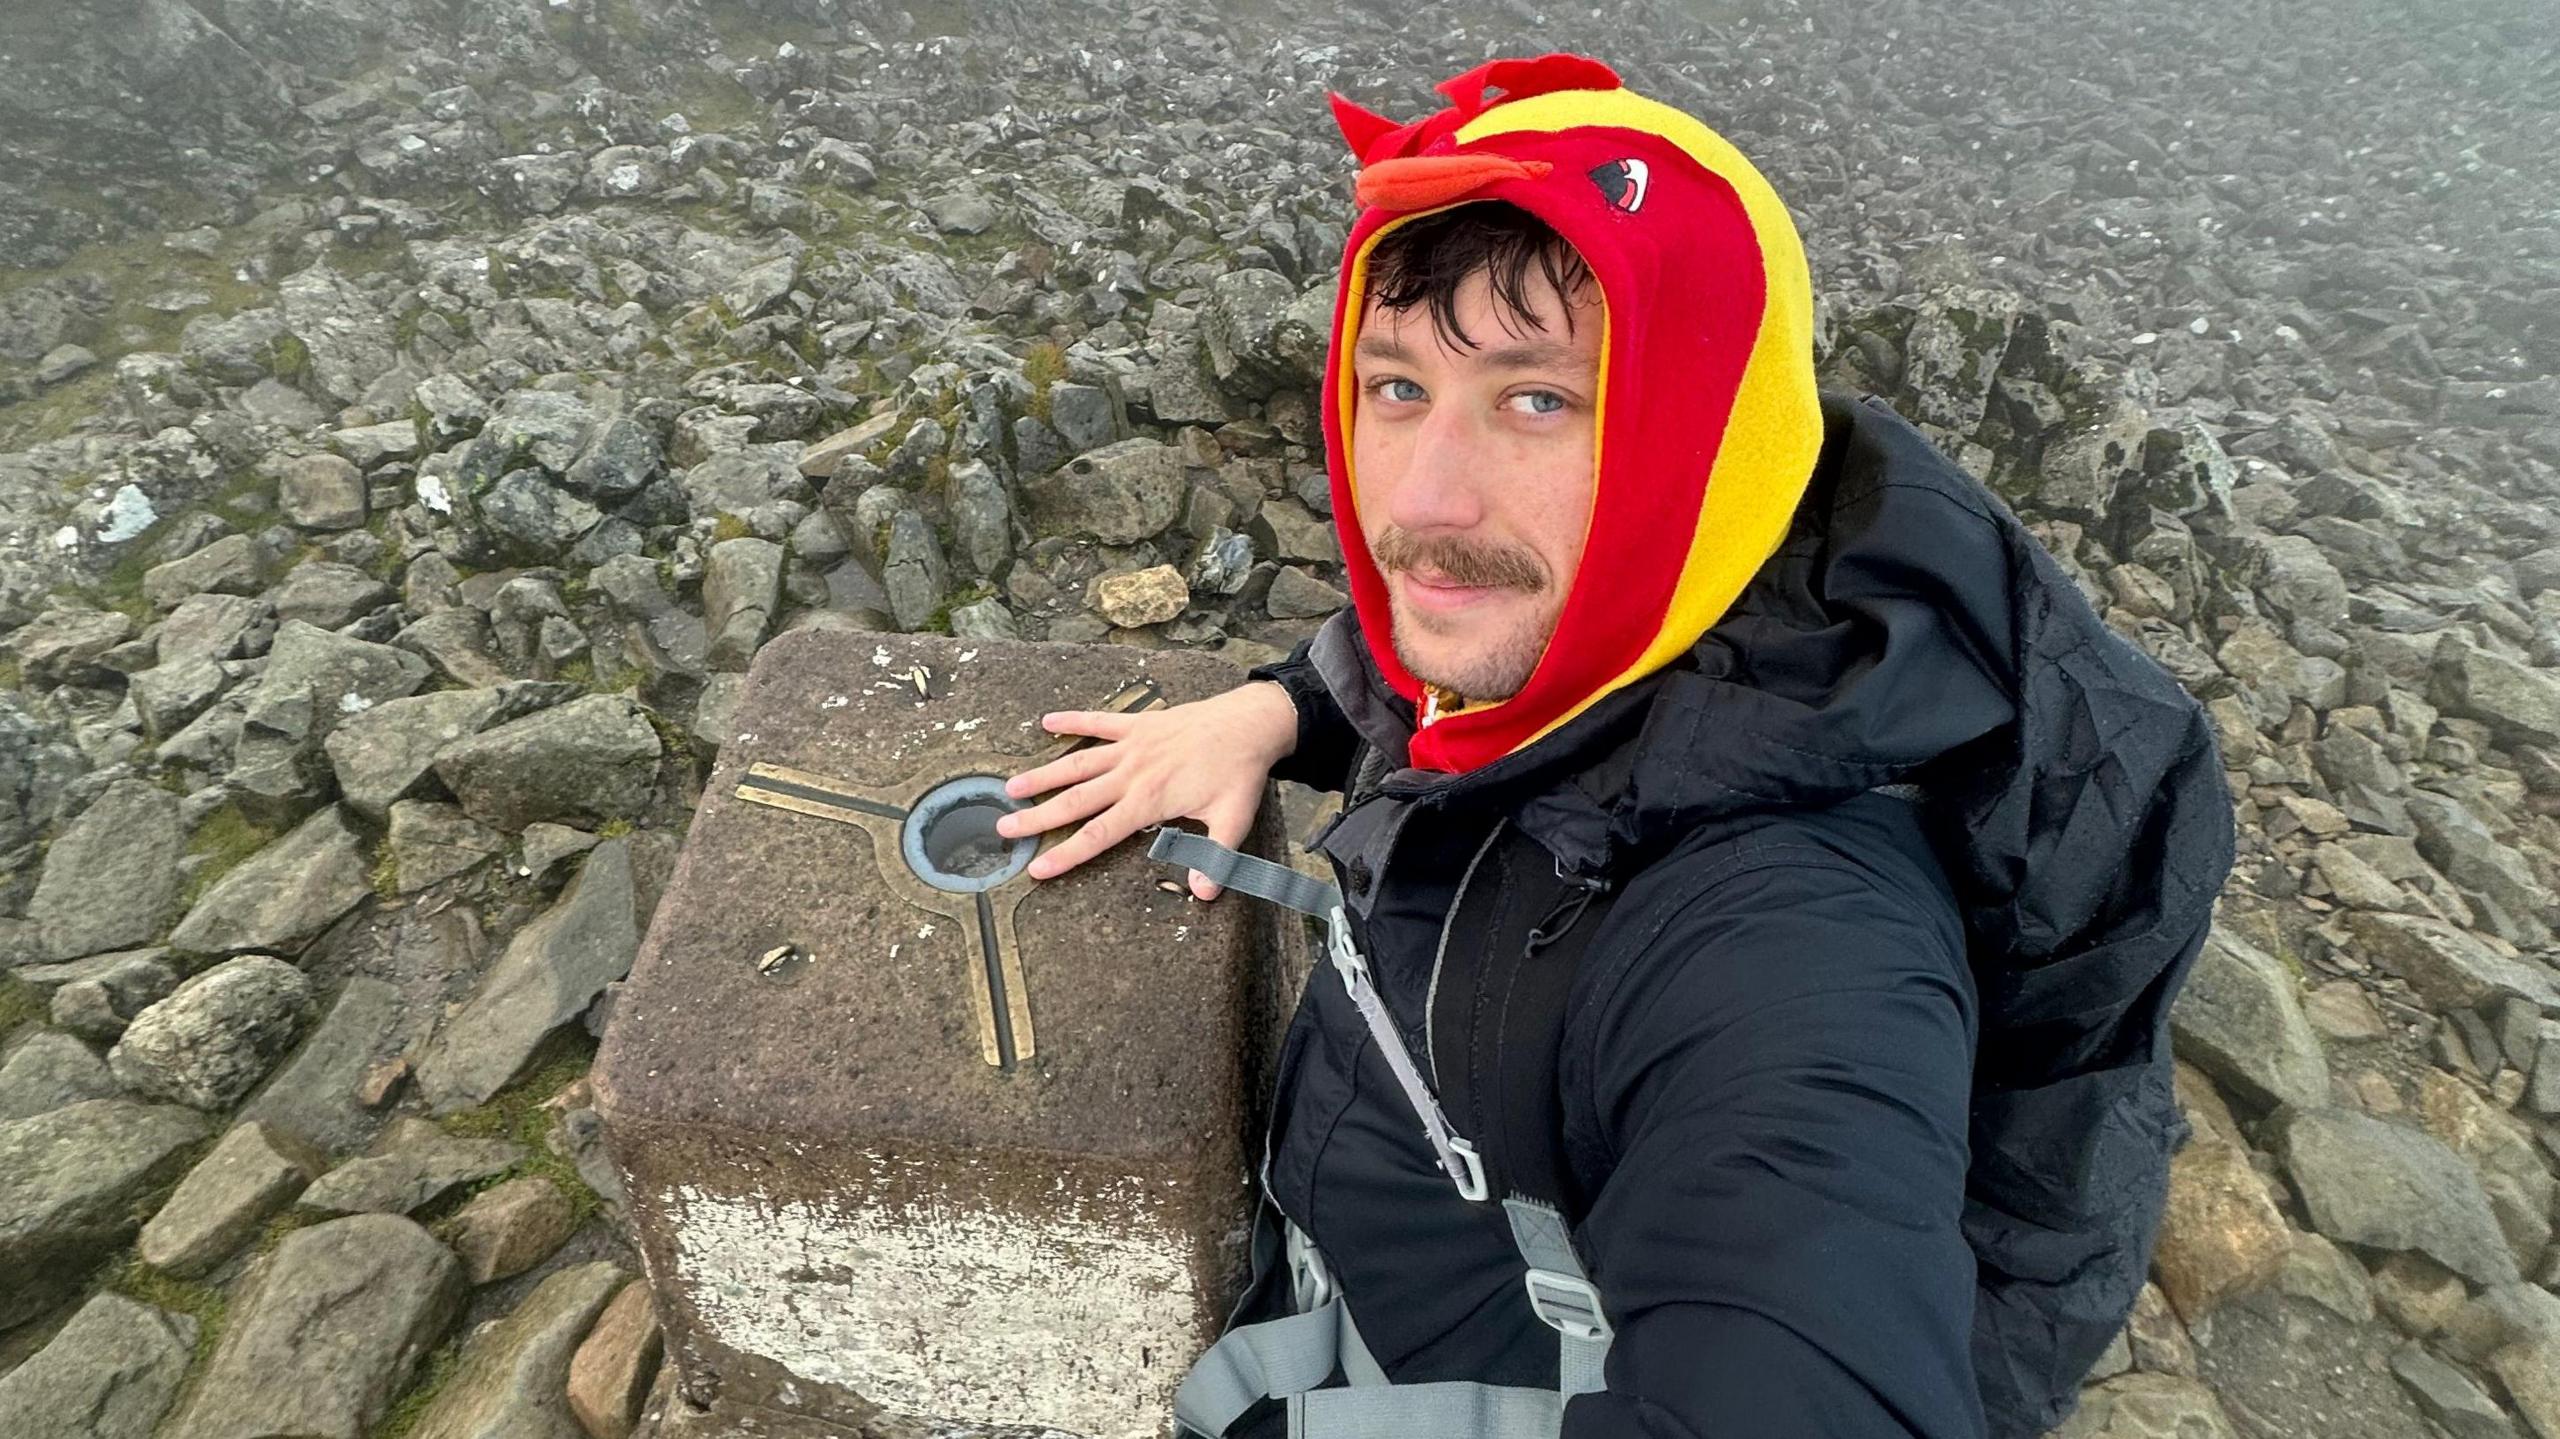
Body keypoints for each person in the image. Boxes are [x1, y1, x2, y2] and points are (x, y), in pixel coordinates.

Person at [996, 52, 2232, 1439]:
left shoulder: (1794, 940)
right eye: (1396, 386)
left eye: (1541, 400)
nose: (1423, 493)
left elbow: (1804, 1303)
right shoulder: (1663, 602)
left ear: (1700, 442)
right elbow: (1443, 673)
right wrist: (1280, 707)